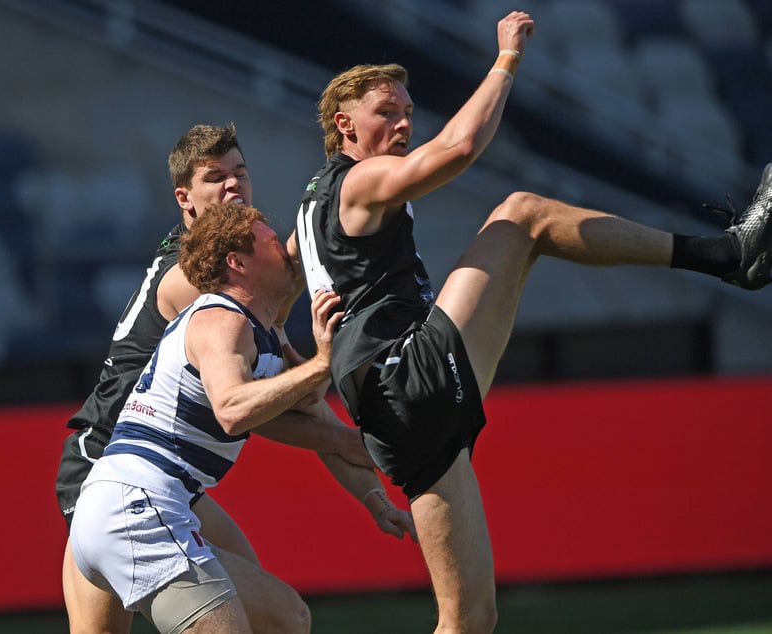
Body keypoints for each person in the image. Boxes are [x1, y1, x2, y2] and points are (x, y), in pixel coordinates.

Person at [290, 10, 771, 633]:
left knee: (469, 620)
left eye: (408, 109)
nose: (405, 121)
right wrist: (506, 60)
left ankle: (734, 255)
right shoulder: (358, 180)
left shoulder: (310, 203)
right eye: (387, 111)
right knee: (522, 215)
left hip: (391, 418)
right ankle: (730, 254)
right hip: (406, 377)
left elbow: (291, 281)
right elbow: (459, 148)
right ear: (343, 124)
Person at [56, 124, 415, 633]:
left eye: (240, 174)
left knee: (276, 615)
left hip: (163, 481)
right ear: (185, 199)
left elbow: (298, 401)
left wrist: (373, 495)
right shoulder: (203, 289)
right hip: (103, 464)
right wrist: (328, 401)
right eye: (216, 177)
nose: (233, 186)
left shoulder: (244, 293)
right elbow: (245, 409)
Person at [68, 202, 342, 633]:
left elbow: (298, 403)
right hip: (137, 507)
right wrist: (322, 364)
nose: (286, 252)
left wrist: (367, 472)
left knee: (286, 617)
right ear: (237, 262)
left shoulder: (252, 330)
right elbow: (233, 409)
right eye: (272, 242)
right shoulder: (221, 319)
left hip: (129, 506)